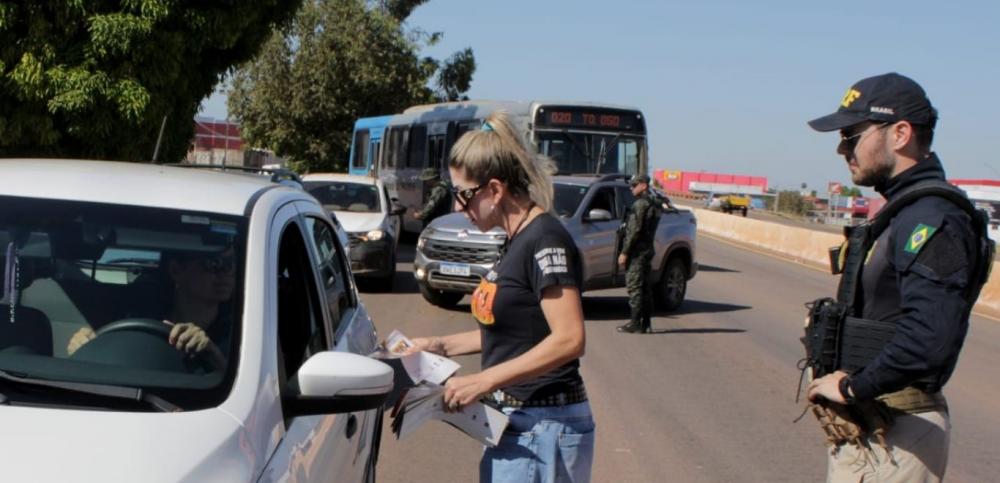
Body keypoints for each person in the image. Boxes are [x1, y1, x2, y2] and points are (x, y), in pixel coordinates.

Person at [805, 73, 991, 482]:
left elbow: (929, 337)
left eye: (851, 135)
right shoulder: (903, 213)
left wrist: (854, 387)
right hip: (876, 429)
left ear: (900, 133)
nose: (842, 148)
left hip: (896, 431)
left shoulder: (933, 219)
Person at [407, 112, 594, 482]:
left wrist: (483, 380)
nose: (458, 208)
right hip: (519, 425)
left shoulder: (544, 239)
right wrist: (438, 344)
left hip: (543, 426)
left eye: (464, 195)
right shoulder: (516, 239)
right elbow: (516, 332)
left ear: (495, 190)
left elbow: (570, 339)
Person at [67, 248, 236, 368]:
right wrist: (84, 347)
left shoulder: (242, 332)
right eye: (215, 264)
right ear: (176, 270)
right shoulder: (133, 321)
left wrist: (213, 355)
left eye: (232, 264)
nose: (227, 272)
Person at [616, 174, 661, 334]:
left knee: (634, 286)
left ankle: (635, 323)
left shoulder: (640, 204)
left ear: (643, 186)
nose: (631, 188)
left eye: (634, 185)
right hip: (647, 250)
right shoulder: (654, 203)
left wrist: (625, 252)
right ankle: (646, 323)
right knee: (645, 287)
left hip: (637, 252)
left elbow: (634, 230)